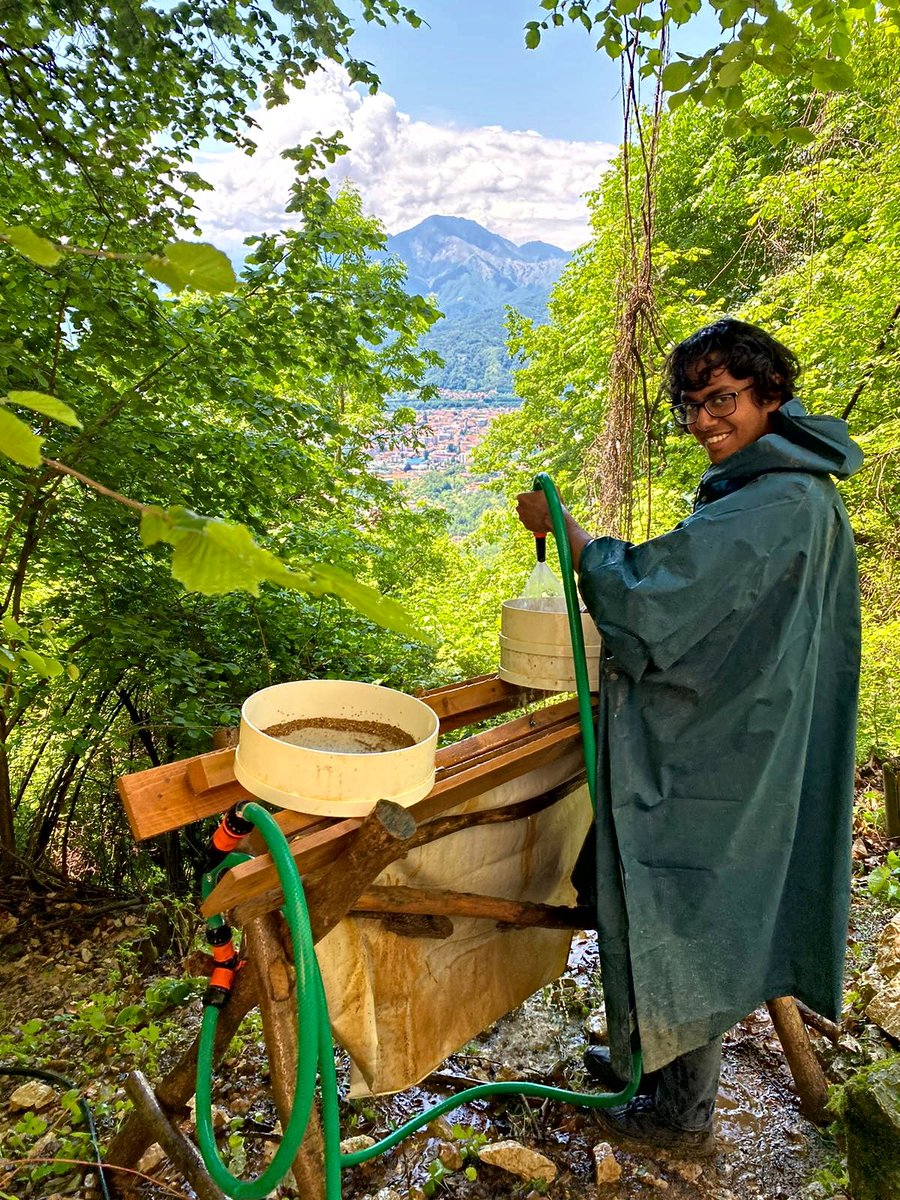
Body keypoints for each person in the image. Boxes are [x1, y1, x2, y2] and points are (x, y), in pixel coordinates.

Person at [516, 318, 862, 1156]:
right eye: (693, 407)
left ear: (771, 395)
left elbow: (653, 601)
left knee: (681, 904)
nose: (707, 421)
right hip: (759, 731)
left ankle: (679, 1118)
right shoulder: (796, 486)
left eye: (723, 400)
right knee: (681, 902)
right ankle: (655, 1061)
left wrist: (573, 538)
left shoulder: (778, 499)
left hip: (727, 749)